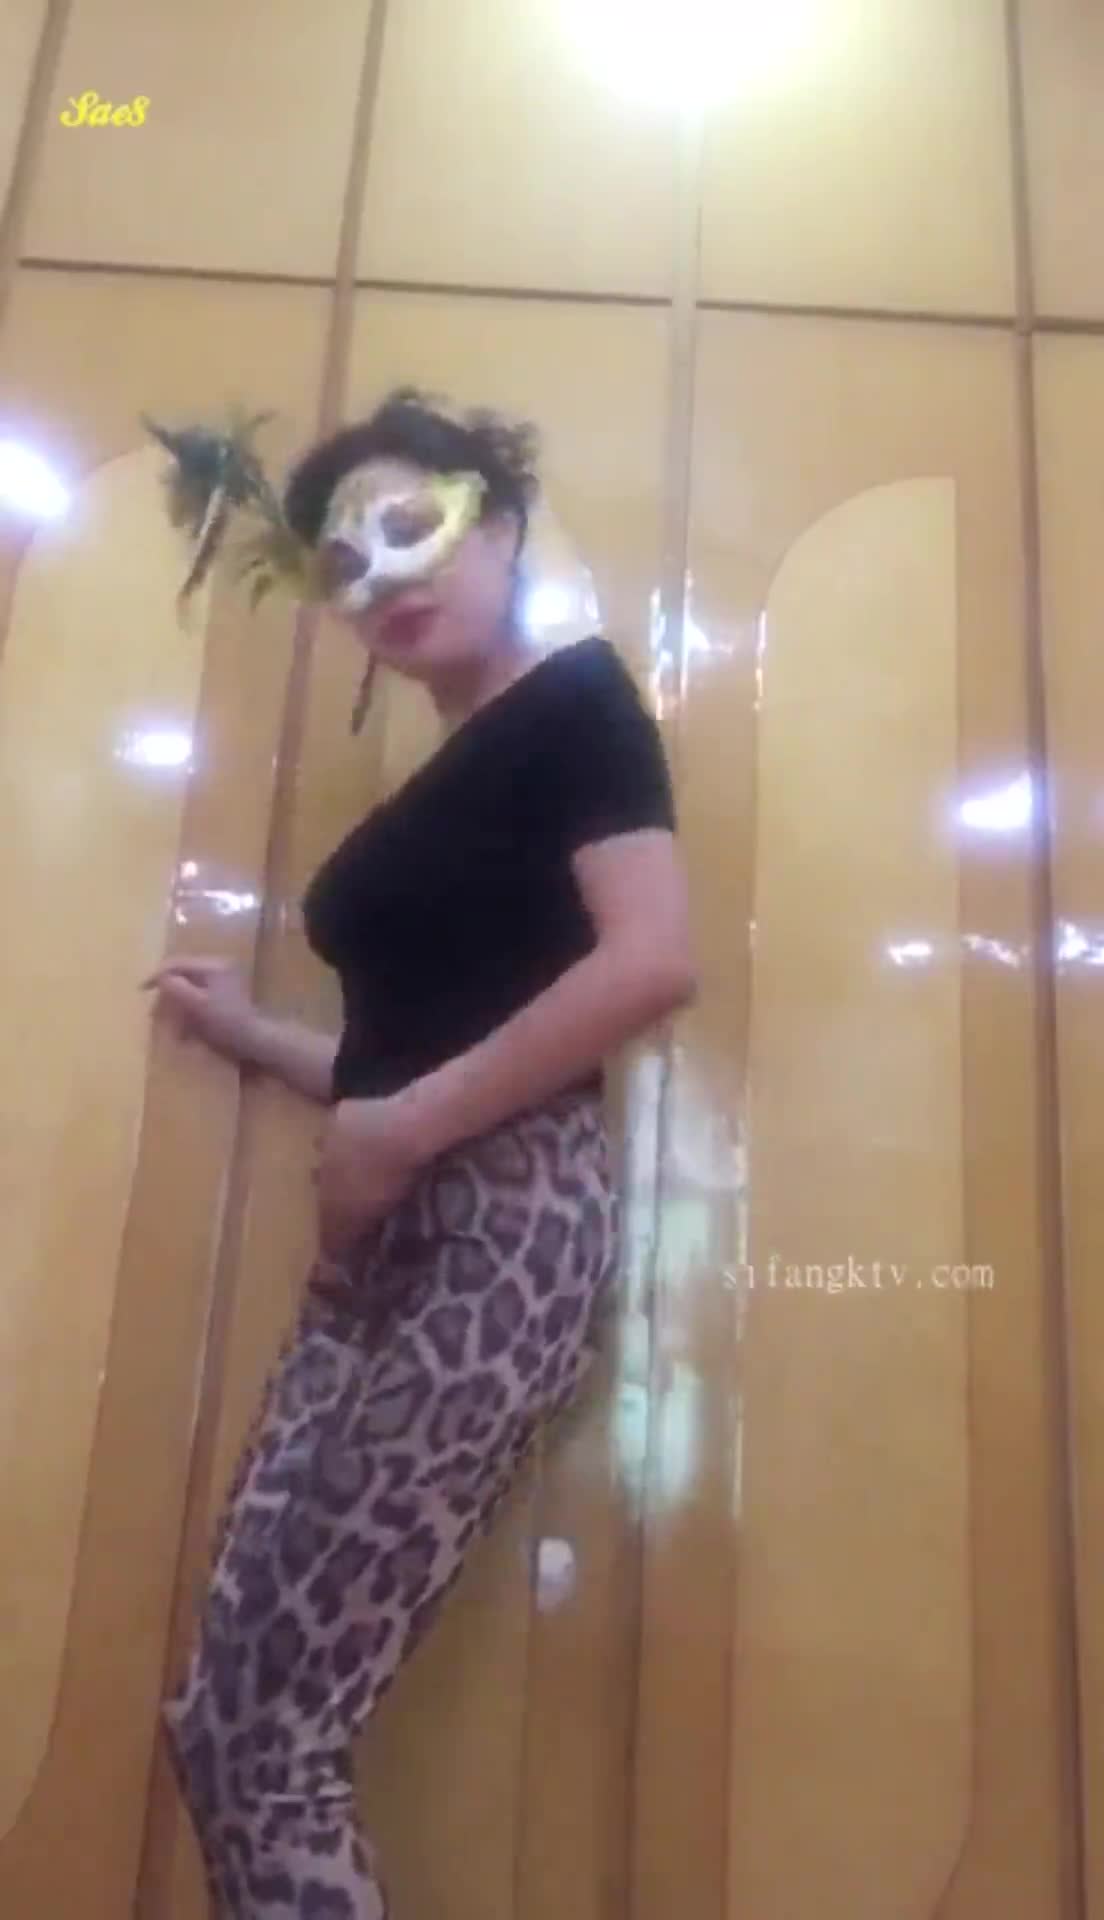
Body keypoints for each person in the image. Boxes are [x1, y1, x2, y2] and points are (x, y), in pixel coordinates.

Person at [145, 389, 697, 1919]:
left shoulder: (577, 702)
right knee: (220, 1718)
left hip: (502, 1231)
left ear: (500, 525)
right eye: (342, 561)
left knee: (275, 1744)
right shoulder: (453, 778)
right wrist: (265, 1040)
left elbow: (652, 961)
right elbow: (407, 1058)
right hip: (380, 1250)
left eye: (413, 527)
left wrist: (396, 1130)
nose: (380, 575)